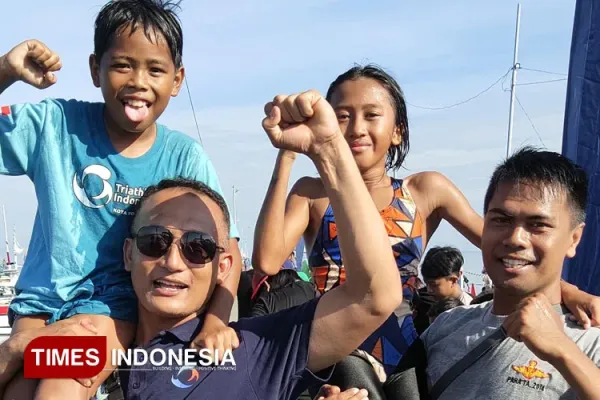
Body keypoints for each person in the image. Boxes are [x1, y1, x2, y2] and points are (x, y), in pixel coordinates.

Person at [0, 88, 404, 399]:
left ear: (222, 265)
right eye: (155, 241)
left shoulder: (250, 350)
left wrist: (329, 151)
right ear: (128, 254)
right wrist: (16, 350)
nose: (173, 261)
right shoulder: (84, 345)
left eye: (198, 248)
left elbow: (374, 296)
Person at [252, 64, 600, 396]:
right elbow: (267, 261)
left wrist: (567, 291)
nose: (356, 128)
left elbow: (504, 247)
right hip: (335, 345)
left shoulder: (424, 191)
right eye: (342, 116)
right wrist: (288, 154)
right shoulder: (312, 194)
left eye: (371, 115)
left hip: (400, 348)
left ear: (398, 131)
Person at [0, 1, 241, 398]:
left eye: (155, 69)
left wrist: (216, 320)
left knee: (62, 378)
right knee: (19, 390)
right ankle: (19, 349)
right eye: (122, 65)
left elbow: (228, 249)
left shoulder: (184, 157)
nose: (138, 82)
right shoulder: (54, 125)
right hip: (38, 307)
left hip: (110, 310)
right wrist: (6, 71)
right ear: (95, 69)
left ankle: (19, 350)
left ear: (177, 80)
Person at [407, 148, 600, 399]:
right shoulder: (445, 327)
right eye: (501, 220)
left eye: (538, 225)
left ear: (574, 239)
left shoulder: (590, 343)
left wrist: (562, 350)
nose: (515, 238)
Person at [249, 268, 316, 317]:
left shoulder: (268, 304)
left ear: (266, 286)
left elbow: (253, 323)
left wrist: (263, 300)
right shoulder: (314, 288)